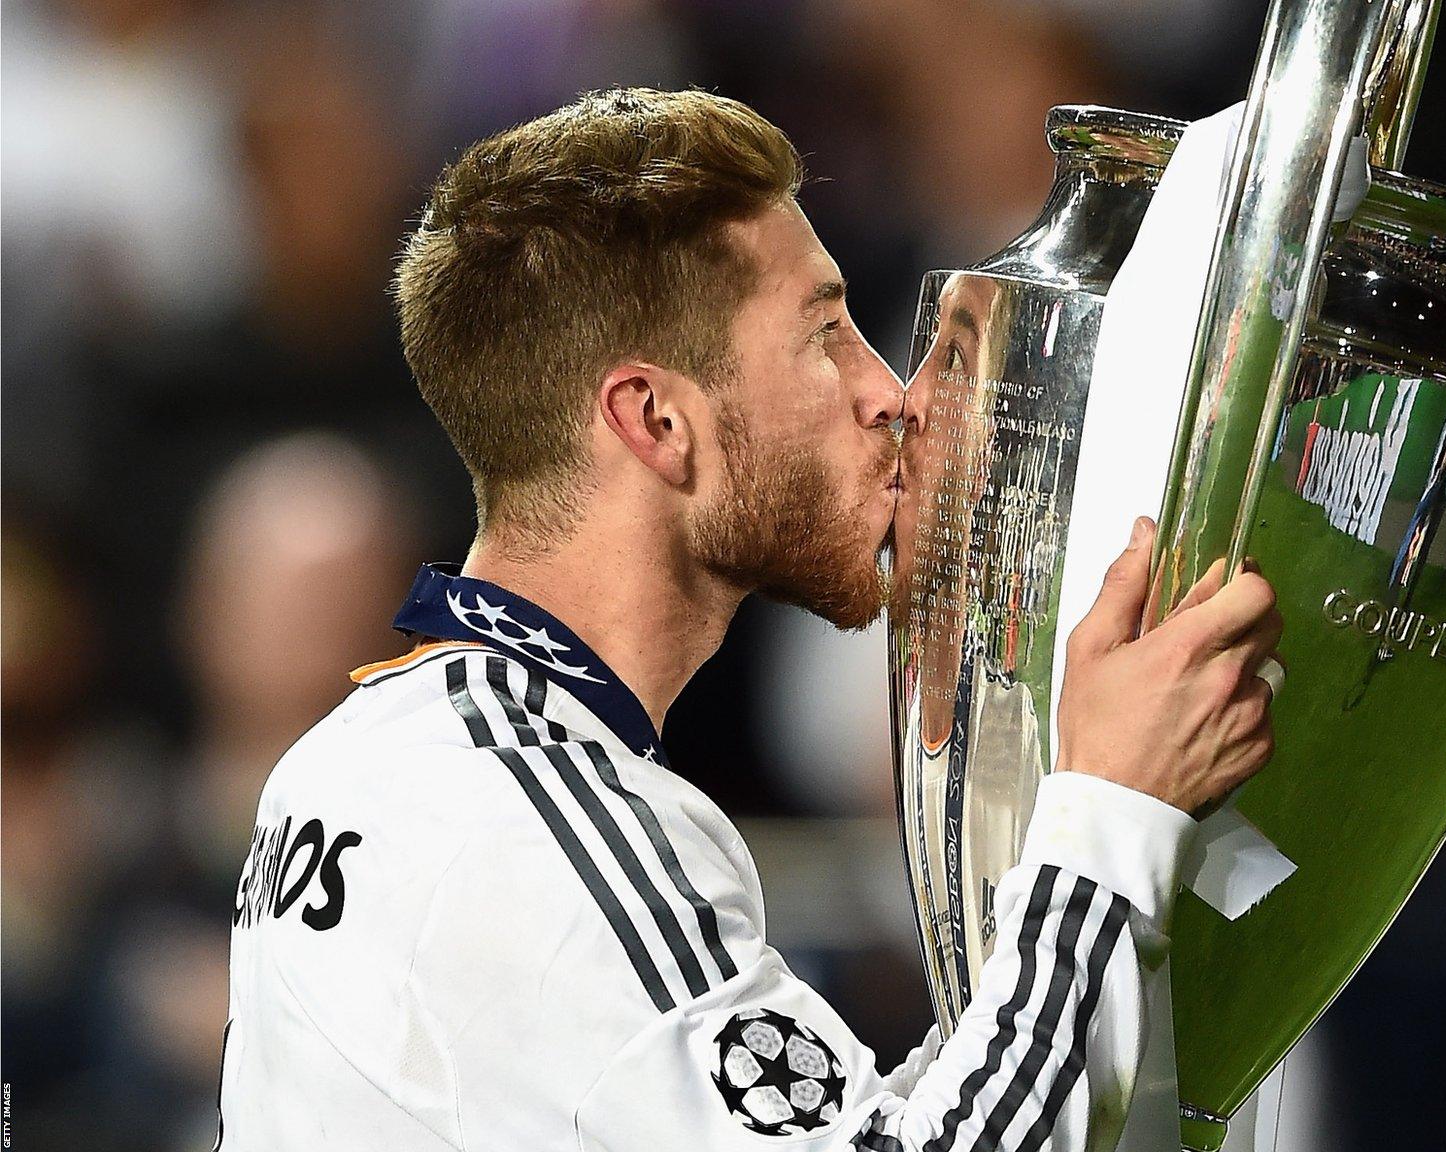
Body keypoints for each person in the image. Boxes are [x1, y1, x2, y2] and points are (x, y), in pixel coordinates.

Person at [216, 87, 1283, 1151]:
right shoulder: (535, 816)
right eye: (824, 333)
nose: (890, 393)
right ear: (656, 421)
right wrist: (1112, 813)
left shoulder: (380, 760)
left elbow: (876, 1128)